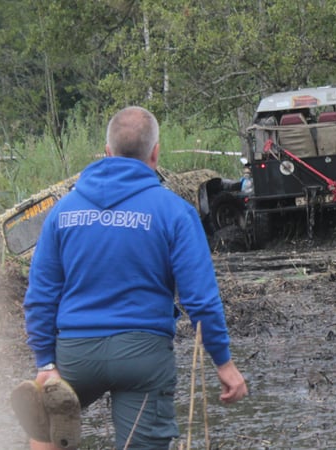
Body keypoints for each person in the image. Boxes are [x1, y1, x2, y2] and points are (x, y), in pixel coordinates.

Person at [15, 106, 248, 450]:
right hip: (143, 355)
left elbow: (41, 297)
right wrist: (223, 362)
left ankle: (46, 431)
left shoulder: (62, 212)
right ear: (155, 153)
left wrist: (46, 363)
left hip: (76, 354)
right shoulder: (175, 212)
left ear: (106, 152)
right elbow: (200, 298)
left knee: (45, 429)